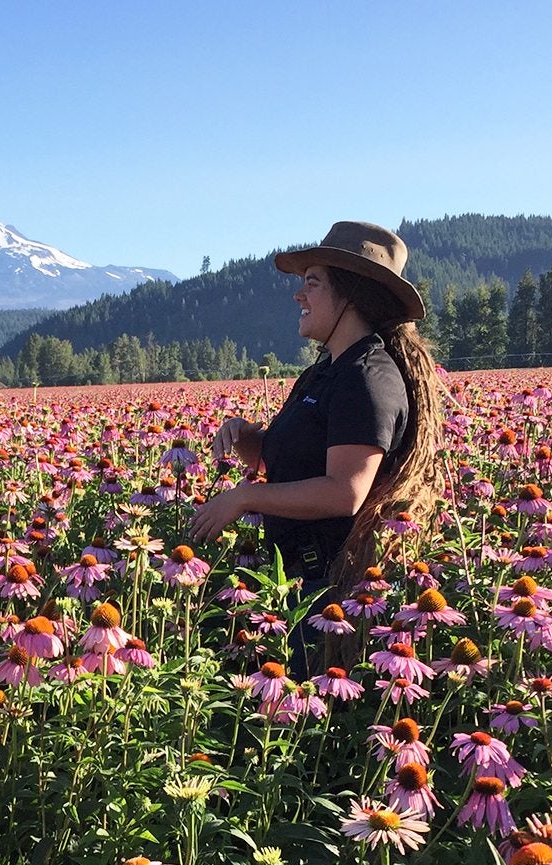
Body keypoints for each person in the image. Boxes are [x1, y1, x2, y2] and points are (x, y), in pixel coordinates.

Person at [191, 221, 446, 663]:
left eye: (312, 282)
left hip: (328, 590)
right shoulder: (328, 369)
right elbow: (297, 462)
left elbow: (344, 491)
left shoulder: (366, 378)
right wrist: (249, 438)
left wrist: (245, 498)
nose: (299, 295)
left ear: (350, 294)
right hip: (296, 582)